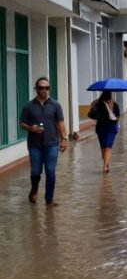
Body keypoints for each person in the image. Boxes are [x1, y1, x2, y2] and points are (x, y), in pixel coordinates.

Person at [18, 77, 68, 205]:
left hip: (51, 143)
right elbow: (22, 124)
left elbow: (60, 123)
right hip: (35, 145)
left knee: (50, 171)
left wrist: (64, 139)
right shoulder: (29, 106)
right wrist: (30, 128)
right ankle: (34, 189)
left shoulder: (55, 105)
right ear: (36, 89)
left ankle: (49, 199)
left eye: (47, 88)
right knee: (36, 171)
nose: (44, 90)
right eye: (41, 88)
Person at [88, 91, 121, 173]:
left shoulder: (97, 103)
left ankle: (105, 166)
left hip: (100, 128)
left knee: (104, 148)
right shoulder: (114, 104)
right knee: (107, 148)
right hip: (110, 128)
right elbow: (117, 117)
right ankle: (106, 165)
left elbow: (91, 114)